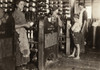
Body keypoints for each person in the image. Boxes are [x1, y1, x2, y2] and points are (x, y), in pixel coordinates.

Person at [12, 0, 33, 69]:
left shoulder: (21, 13)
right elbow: (13, 26)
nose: (23, 6)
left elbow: (22, 23)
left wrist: (27, 24)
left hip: (23, 33)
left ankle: (23, 66)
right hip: (18, 35)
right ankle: (20, 67)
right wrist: (24, 24)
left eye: (23, 4)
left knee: (24, 50)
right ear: (17, 5)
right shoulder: (14, 14)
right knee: (19, 51)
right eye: (21, 4)